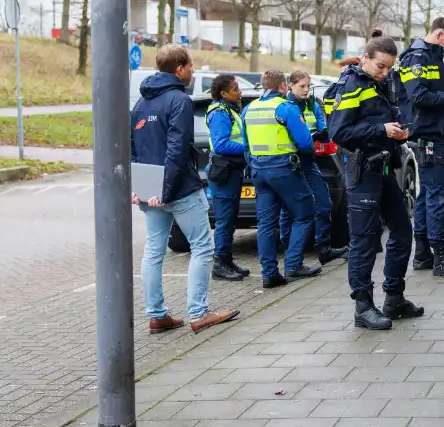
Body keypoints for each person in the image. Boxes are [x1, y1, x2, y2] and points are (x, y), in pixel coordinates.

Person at [130, 44, 240, 334]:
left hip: (150, 190)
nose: (193, 70)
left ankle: (157, 315)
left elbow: (132, 149)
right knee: (203, 246)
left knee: (154, 250)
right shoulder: (179, 100)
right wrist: (167, 190)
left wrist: (140, 188)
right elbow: (177, 150)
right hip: (178, 189)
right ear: (179, 68)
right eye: (191, 65)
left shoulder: (141, 103)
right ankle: (199, 313)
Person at [328, 36, 424, 330]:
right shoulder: (351, 85)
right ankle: (363, 307)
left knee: (402, 231)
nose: (385, 72)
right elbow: (339, 131)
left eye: (389, 68)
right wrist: (381, 128)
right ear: (365, 58)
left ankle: (393, 297)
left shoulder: (378, 84)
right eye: (380, 66)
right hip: (363, 171)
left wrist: (397, 132)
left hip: (384, 168)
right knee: (365, 239)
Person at [398, 17, 444, 278]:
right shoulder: (417, 58)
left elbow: (430, 92)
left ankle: (423, 255)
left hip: (432, 133)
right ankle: (440, 258)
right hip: (427, 135)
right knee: (437, 196)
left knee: (427, 195)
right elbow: (418, 96)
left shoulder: (431, 57)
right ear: (439, 34)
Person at [243, 69, 323, 288]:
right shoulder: (285, 108)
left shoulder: (249, 109)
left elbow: (246, 145)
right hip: (284, 170)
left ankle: (269, 273)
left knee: (266, 224)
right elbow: (305, 142)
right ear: (282, 87)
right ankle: (293, 265)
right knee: (305, 213)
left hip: (259, 172)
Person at [280, 71, 348, 264]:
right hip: (292, 162)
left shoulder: (312, 105)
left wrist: (324, 132)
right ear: (290, 85)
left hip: (310, 161)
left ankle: (323, 247)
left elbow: (322, 127)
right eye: (302, 86)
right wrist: (312, 136)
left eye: (308, 86)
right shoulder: (285, 107)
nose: (306, 90)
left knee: (324, 203)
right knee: (289, 209)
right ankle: (288, 247)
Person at [206, 74, 252, 281]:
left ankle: (227, 260)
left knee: (230, 218)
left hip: (232, 171)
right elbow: (221, 144)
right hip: (223, 172)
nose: (239, 91)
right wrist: (248, 148)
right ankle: (219, 265)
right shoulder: (219, 113)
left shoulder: (231, 110)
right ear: (224, 93)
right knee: (224, 220)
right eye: (235, 89)